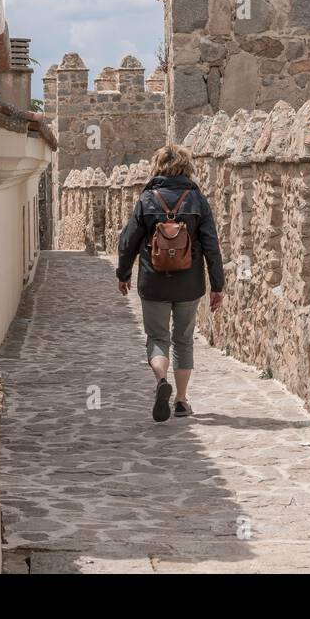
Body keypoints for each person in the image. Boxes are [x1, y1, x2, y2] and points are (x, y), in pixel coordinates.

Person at [116, 143, 224, 421]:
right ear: (187, 168)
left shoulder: (147, 199)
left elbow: (128, 242)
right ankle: (181, 400)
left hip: (154, 282)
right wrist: (218, 285)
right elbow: (211, 245)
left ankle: (162, 379)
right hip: (189, 284)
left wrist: (123, 273)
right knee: (184, 340)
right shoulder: (198, 201)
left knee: (157, 338)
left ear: (158, 167)